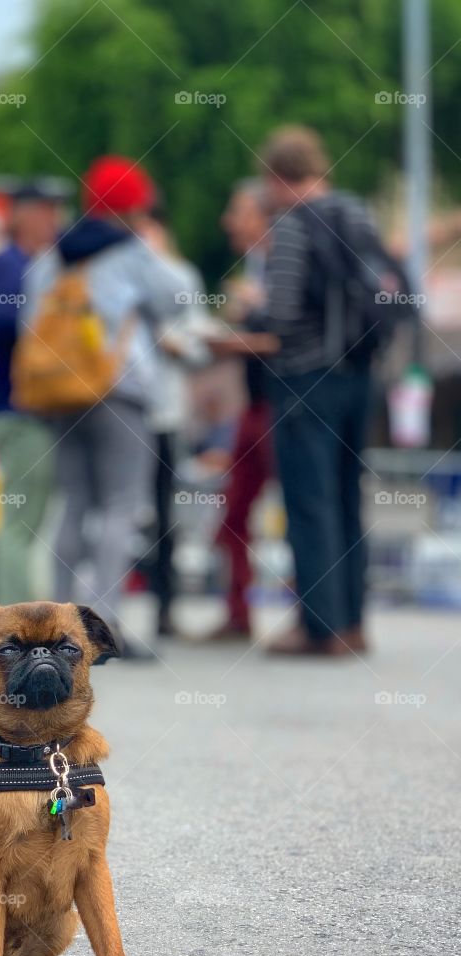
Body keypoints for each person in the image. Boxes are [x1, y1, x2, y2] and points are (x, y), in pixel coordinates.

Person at [23, 156, 187, 657]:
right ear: (133, 208)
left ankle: (50, 628)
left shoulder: (52, 255)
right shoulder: (131, 251)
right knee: (120, 506)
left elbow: (29, 315)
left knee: (72, 504)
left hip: (59, 396)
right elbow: (178, 299)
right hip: (119, 391)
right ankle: (100, 629)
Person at [260, 127, 379, 657]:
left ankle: (318, 628)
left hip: (307, 379)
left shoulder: (291, 224)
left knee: (310, 504)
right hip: (361, 375)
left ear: (274, 176)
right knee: (349, 500)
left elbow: (282, 314)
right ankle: (353, 624)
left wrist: (246, 316)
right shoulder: (358, 212)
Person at [201, 179, 280, 640]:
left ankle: (320, 619)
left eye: (238, 211)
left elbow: (284, 337)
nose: (229, 221)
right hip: (256, 407)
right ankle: (238, 613)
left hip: (282, 408)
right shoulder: (257, 266)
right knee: (233, 513)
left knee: (300, 512)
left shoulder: (282, 268)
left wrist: (236, 332)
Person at [0, 184, 62, 603]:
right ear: (24, 216)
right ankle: (15, 615)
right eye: (49, 211)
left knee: (31, 517)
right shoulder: (7, 265)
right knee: (20, 519)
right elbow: (3, 322)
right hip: (18, 410)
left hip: (32, 410)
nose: (57, 221)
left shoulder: (37, 265)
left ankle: (18, 609)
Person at [141, 198, 213, 638]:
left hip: (164, 413)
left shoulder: (182, 276)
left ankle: (164, 609)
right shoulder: (114, 275)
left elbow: (201, 341)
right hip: (116, 411)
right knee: (116, 512)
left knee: (164, 512)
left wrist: (174, 344)